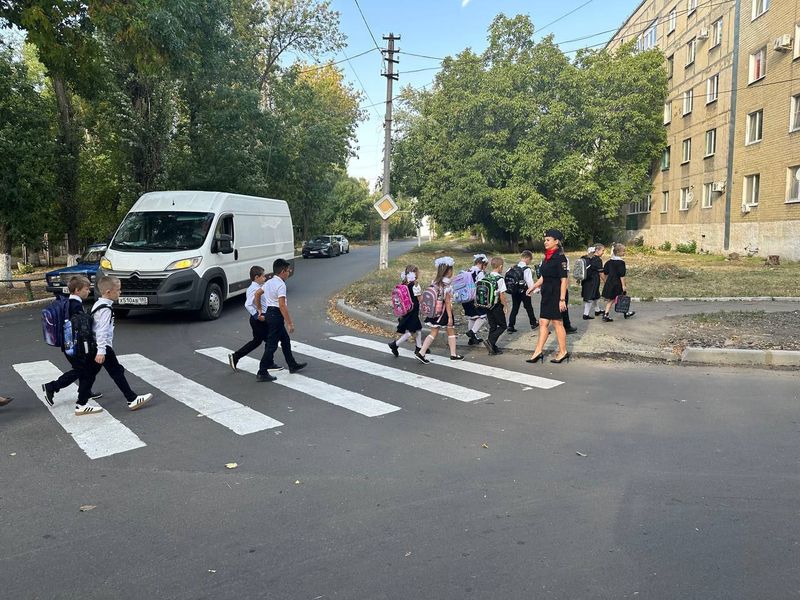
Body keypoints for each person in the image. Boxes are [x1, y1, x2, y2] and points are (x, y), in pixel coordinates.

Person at [77, 276, 153, 415]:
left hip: (97, 346)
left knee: (91, 374)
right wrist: (102, 351)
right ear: (107, 292)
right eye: (117, 290)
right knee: (116, 372)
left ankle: (81, 403)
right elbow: (101, 331)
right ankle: (132, 398)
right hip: (101, 347)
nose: (120, 292)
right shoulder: (105, 309)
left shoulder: (98, 304)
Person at [41, 275, 102, 406]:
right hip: (75, 346)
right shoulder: (75, 306)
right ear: (77, 290)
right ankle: (52, 387)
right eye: (86, 289)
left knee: (85, 368)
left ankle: (85, 392)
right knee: (81, 370)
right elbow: (81, 330)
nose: (89, 291)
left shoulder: (69, 303)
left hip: (69, 344)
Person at [256, 258, 307, 382]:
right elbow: (282, 305)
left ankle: (292, 364)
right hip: (276, 315)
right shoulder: (280, 285)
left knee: (285, 340)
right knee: (272, 345)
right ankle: (262, 371)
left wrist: (260, 310)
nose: (289, 273)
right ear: (283, 271)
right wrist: (289, 323)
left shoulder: (269, 282)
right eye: (288, 270)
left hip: (269, 313)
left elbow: (257, 294)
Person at [527, 229, 570, 364]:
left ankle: (563, 352)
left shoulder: (560, 257)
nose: (545, 242)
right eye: (545, 240)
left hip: (557, 294)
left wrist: (562, 299)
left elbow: (564, 280)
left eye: (548, 240)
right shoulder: (547, 256)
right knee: (543, 323)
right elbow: (544, 277)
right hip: (546, 293)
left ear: (556, 241)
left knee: (557, 323)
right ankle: (538, 351)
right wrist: (533, 286)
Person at [415, 256, 464, 363]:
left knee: (433, 332)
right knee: (451, 331)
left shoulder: (435, 282)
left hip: (434, 312)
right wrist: (450, 317)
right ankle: (453, 355)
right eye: (451, 269)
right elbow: (447, 302)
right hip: (444, 312)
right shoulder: (448, 284)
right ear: (449, 271)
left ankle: (422, 352)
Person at [228, 265, 271, 372]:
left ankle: (236, 356)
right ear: (256, 277)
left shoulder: (256, 287)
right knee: (270, 341)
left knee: (258, 341)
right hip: (258, 320)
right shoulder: (254, 289)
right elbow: (248, 304)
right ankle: (267, 363)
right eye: (263, 276)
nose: (264, 278)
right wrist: (258, 316)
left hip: (258, 319)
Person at [389, 264, 424, 356]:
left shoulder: (403, 283)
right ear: (415, 273)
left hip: (406, 310)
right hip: (413, 310)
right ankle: (395, 345)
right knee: (411, 332)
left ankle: (419, 348)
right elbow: (420, 299)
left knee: (418, 329)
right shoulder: (415, 284)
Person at [601, 243, 635, 321]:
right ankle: (606, 315)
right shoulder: (621, 263)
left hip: (610, 282)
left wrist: (606, 281)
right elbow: (621, 275)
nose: (624, 253)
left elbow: (605, 271)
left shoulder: (609, 261)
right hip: (617, 283)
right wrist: (623, 285)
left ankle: (624, 312)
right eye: (623, 251)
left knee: (617, 298)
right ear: (619, 252)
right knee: (617, 298)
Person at [506, 250, 538, 333]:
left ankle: (510, 326)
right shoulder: (526, 269)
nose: (529, 262)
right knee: (528, 307)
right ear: (527, 258)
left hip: (514, 291)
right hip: (524, 291)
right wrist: (535, 290)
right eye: (530, 260)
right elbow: (529, 281)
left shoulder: (512, 267)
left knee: (515, 308)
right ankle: (533, 323)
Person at [483, 256, 509, 355]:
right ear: (500, 266)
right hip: (496, 305)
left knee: (493, 326)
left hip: (487, 305)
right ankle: (490, 341)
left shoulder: (487, 276)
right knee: (503, 326)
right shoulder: (499, 279)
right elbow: (502, 295)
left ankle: (492, 349)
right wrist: (505, 306)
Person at [463, 254, 489, 345]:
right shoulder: (479, 273)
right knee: (483, 317)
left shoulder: (467, 271)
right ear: (482, 264)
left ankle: (472, 339)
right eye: (485, 265)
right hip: (475, 298)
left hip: (465, 298)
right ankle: (472, 332)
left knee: (472, 317)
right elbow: (480, 286)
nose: (485, 267)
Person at [581, 244, 605, 319]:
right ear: (597, 250)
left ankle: (597, 310)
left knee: (595, 296)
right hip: (593, 280)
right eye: (602, 250)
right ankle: (586, 314)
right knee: (590, 297)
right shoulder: (597, 260)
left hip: (585, 280)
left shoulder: (584, 257)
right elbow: (601, 272)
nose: (603, 252)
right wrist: (606, 281)